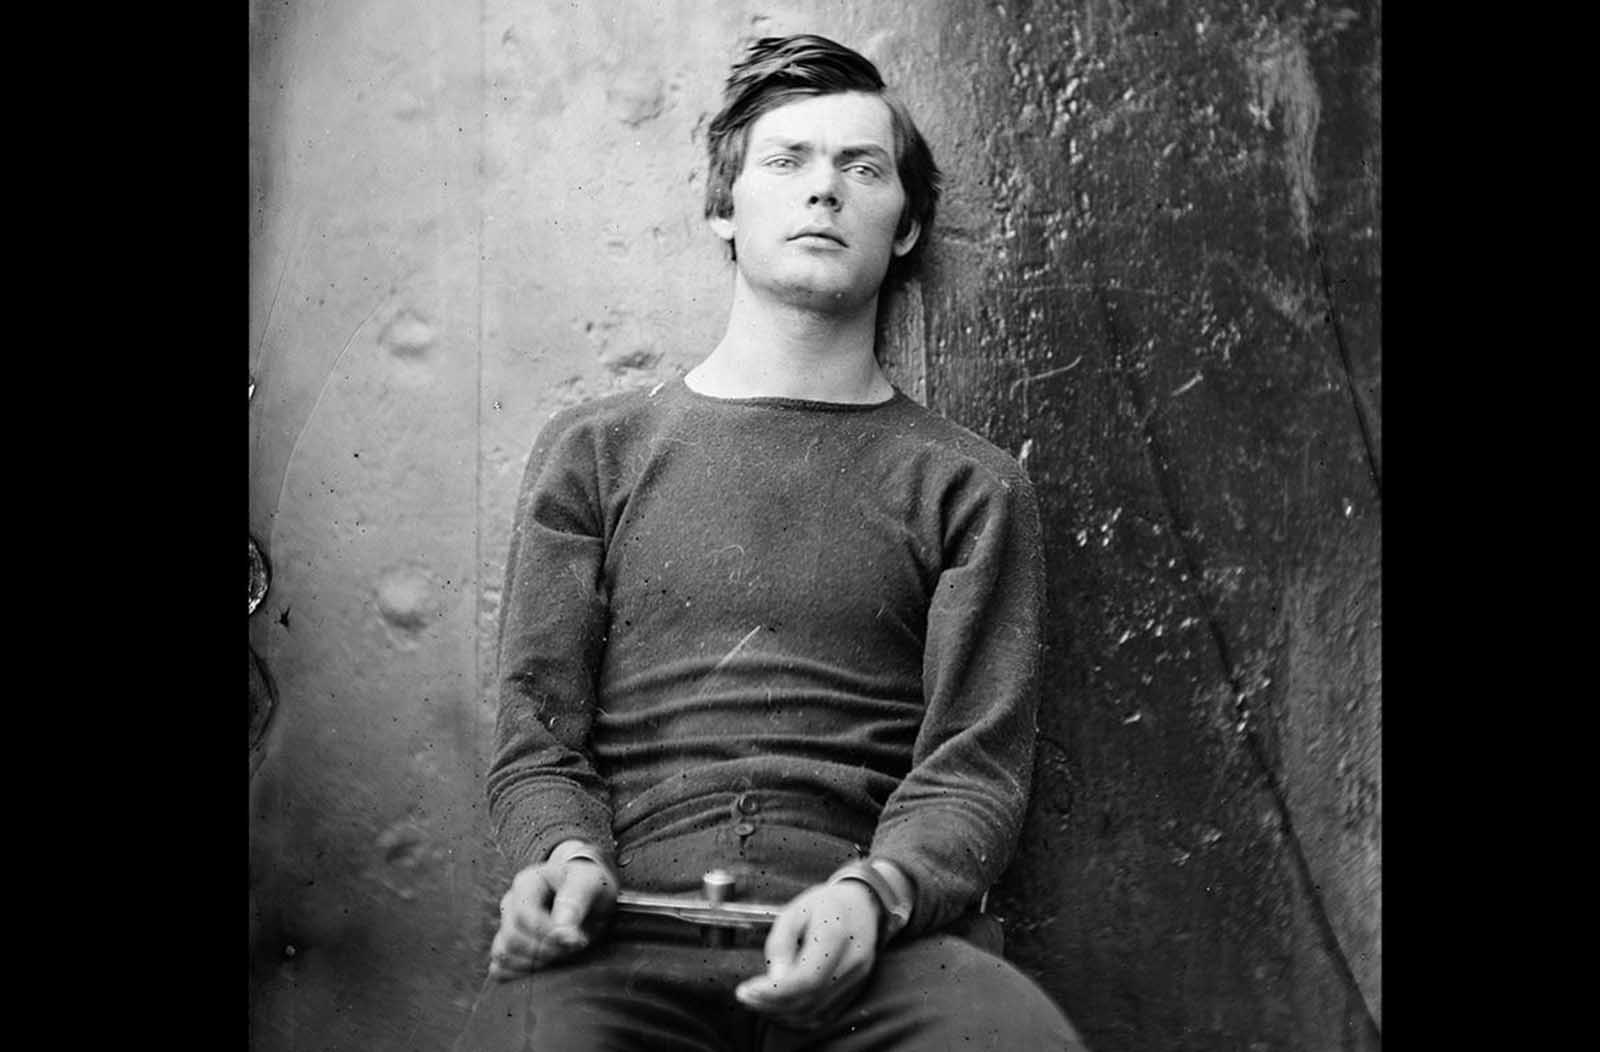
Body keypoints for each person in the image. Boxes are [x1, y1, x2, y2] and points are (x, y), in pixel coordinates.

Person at [455, 33, 1089, 1052]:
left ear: (906, 225)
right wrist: (563, 860)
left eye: (863, 168)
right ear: (724, 206)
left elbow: (972, 771)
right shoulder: (597, 454)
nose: (824, 189)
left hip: (875, 945)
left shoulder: (970, 485)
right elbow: (537, 741)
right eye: (788, 160)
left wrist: (873, 893)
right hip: (630, 937)